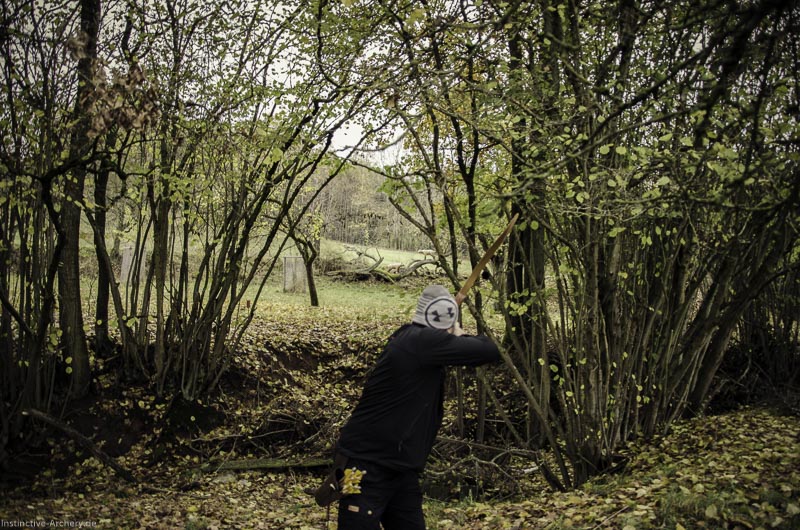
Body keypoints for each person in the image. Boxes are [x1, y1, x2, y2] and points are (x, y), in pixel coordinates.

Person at [332, 284, 500, 529]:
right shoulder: (422, 341)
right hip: (362, 465)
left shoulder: (414, 338)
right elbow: (489, 350)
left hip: (399, 469)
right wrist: (457, 332)